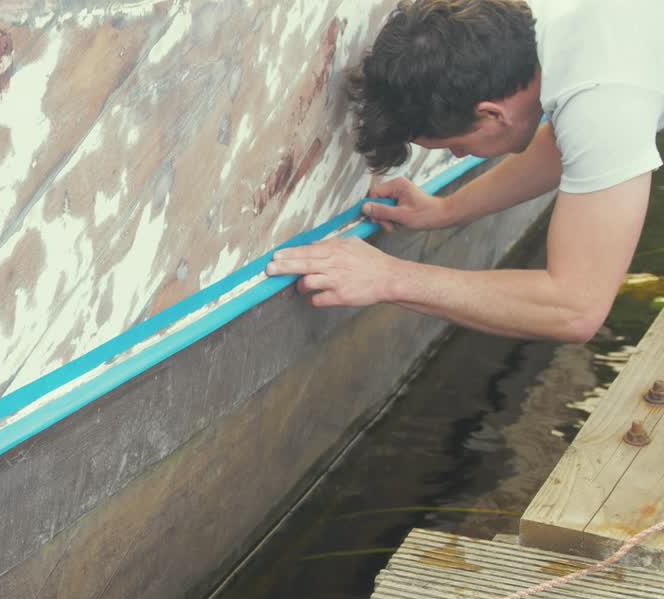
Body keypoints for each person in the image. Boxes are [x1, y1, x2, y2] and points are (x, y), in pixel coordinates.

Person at [264, 0, 664, 342]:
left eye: (455, 146)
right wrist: (445, 210)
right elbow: (572, 147)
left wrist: (389, 277)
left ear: (491, 112)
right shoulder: (533, 30)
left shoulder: (604, 97)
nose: (457, 157)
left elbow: (574, 307)